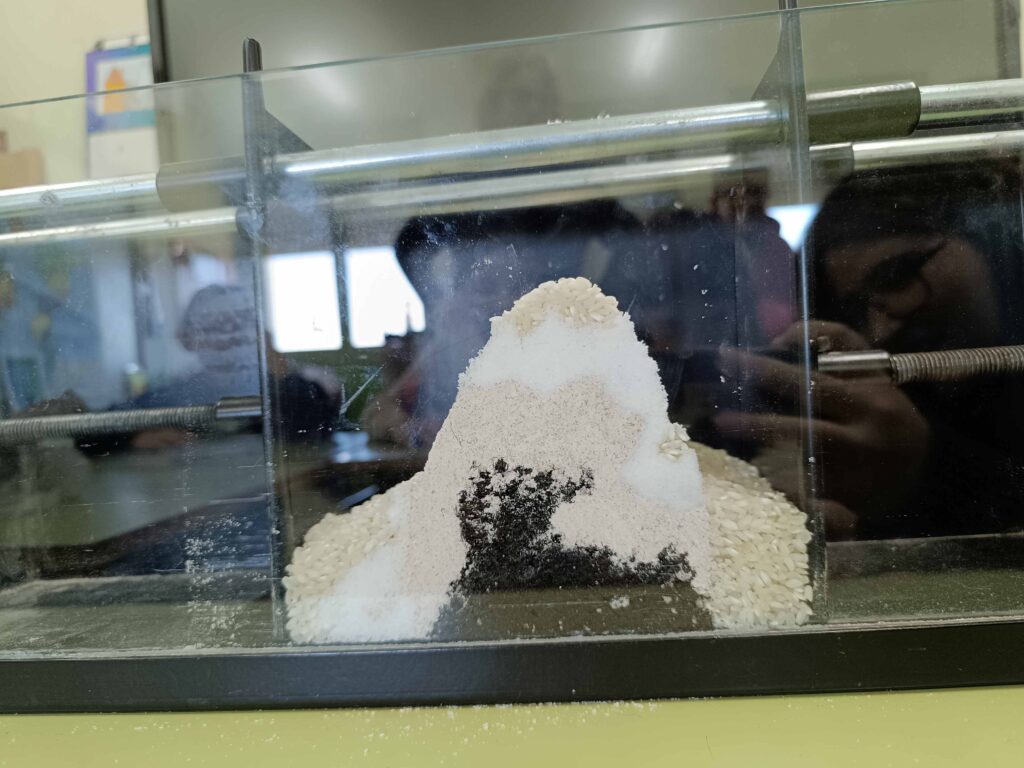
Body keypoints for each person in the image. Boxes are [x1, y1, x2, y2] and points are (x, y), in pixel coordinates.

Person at [707, 161, 1024, 540]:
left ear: (990, 237)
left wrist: (929, 467)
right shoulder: (912, 392)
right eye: (857, 309)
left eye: (896, 275)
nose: (881, 329)